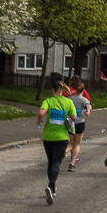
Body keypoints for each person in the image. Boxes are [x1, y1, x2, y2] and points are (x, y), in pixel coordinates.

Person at [35, 72, 77, 204]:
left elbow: (41, 112)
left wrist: (38, 121)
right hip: (61, 137)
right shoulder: (68, 102)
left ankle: (52, 188)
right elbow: (75, 118)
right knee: (56, 163)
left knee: (51, 161)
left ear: (53, 90)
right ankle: (51, 186)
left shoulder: (48, 101)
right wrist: (68, 118)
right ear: (62, 91)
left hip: (48, 137)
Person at [67, 77, 91, 172]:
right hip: (80, 122)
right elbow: (87, 112)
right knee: (77, 144)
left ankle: (63, 153)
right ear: (83, 90)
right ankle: (72, 163)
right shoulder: (84, 100)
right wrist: (87, 111)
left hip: (71, 123)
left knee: (71, 143)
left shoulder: (70, 99)